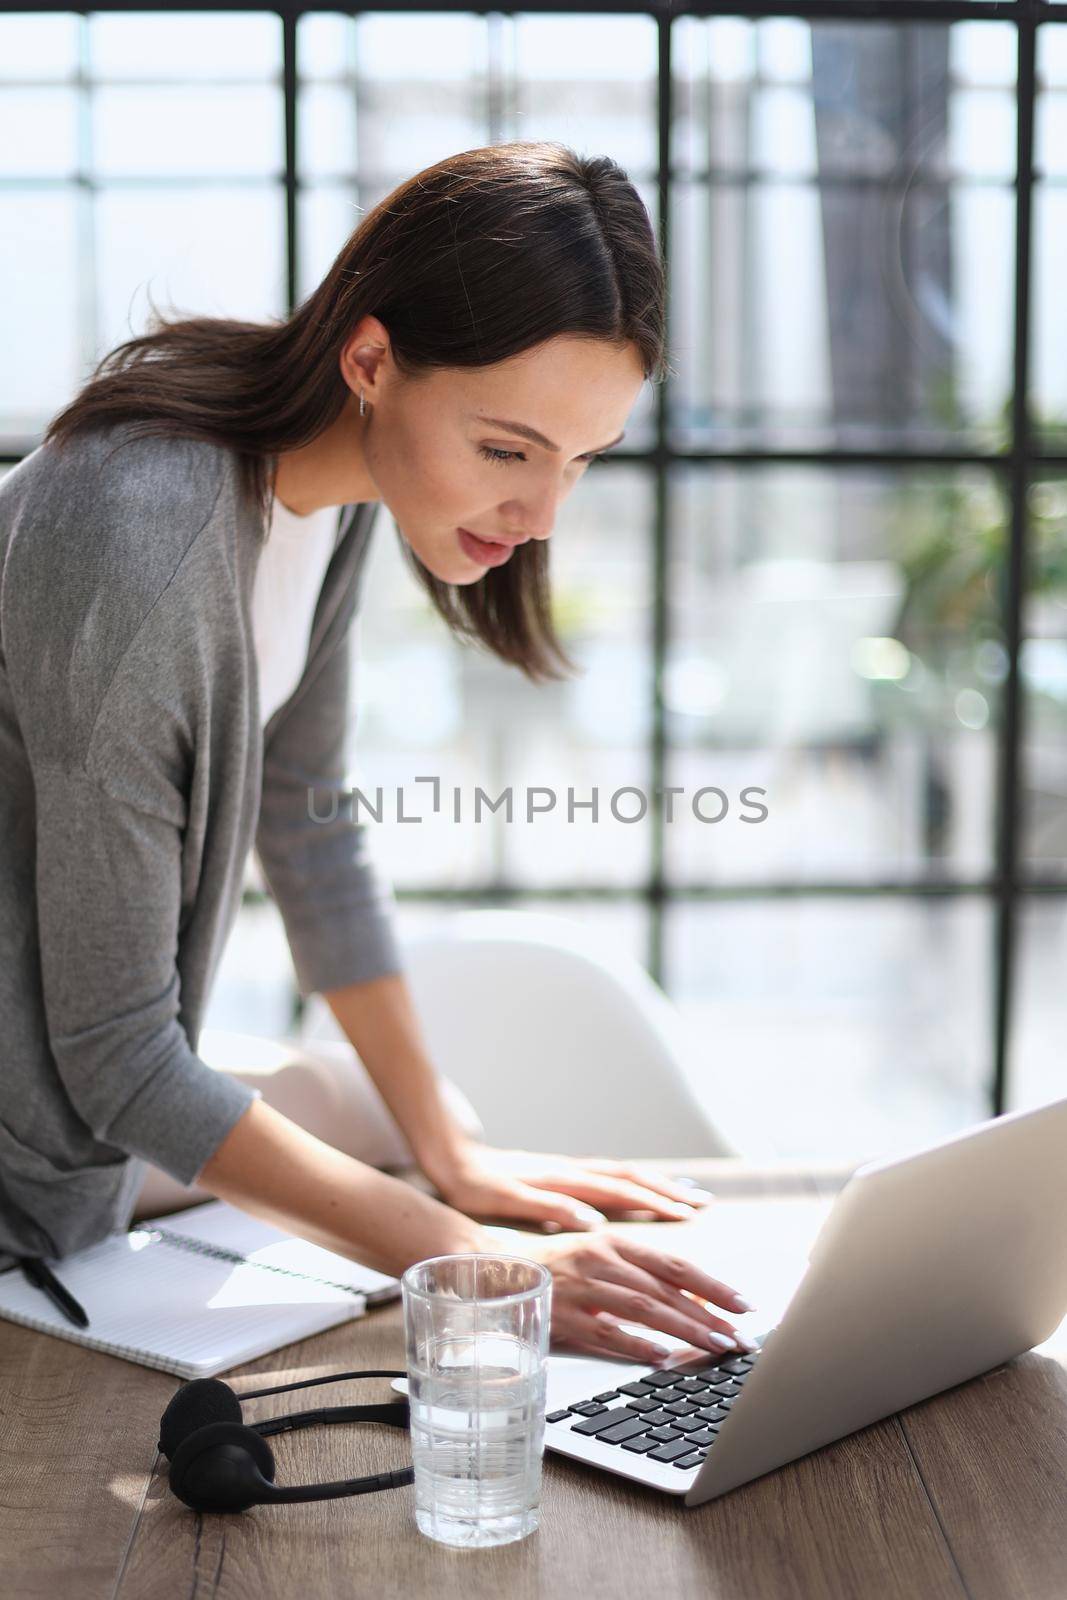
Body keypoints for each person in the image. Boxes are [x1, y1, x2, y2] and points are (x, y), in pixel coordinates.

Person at [0, 140, 753, 1363]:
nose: (540, 515)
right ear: (369, 357)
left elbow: (309, 826)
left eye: (579, 461)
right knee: (370, 1179)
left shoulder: (326, 495)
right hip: (35, 1126)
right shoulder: (134, 547)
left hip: (72, 1081)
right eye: (506, 449)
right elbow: (117, 1058)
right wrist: (469, 1263)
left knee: (377, 1125)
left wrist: (454, 1154)